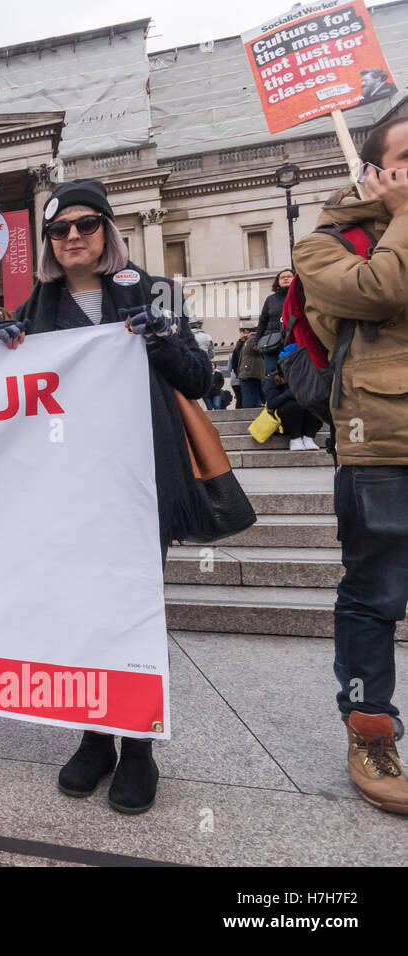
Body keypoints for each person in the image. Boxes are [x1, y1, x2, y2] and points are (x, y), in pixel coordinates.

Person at [0, 178, 211, 814]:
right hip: (72, 490)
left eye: (86, 225)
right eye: (60, 230)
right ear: (49, 244)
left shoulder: (150, 291)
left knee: (135, 609)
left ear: (108, 232)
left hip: (142, 481)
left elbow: (198, 377)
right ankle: (94, 737)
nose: (73, 237)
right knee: (84, 611)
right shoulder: (35, 310)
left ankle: (137, 747)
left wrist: (162, 338)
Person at [291, 115, 408, 813]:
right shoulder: (324, 247)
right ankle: (371, 732)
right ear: (375, 173)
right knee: (375, 596)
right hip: (382, 447)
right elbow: (378, 294)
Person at [262, 360, 322, 451]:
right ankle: (295, 438)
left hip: (304, 416)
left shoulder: (303, 378)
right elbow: (271, 403)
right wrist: (288, 394)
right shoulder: (272, 380)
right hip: (283, 419)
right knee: (293, 405)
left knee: (317, 405)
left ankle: (308, 437)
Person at [254, 269, 294, 378]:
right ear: (278, 282)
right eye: (282, 277)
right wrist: (257, 342)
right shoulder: (270, 299)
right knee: (272, 376)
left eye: (289, 276)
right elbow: (262, 322)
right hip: (272, 344)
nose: (285, 278)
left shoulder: (301, 295)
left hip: (294, 342)